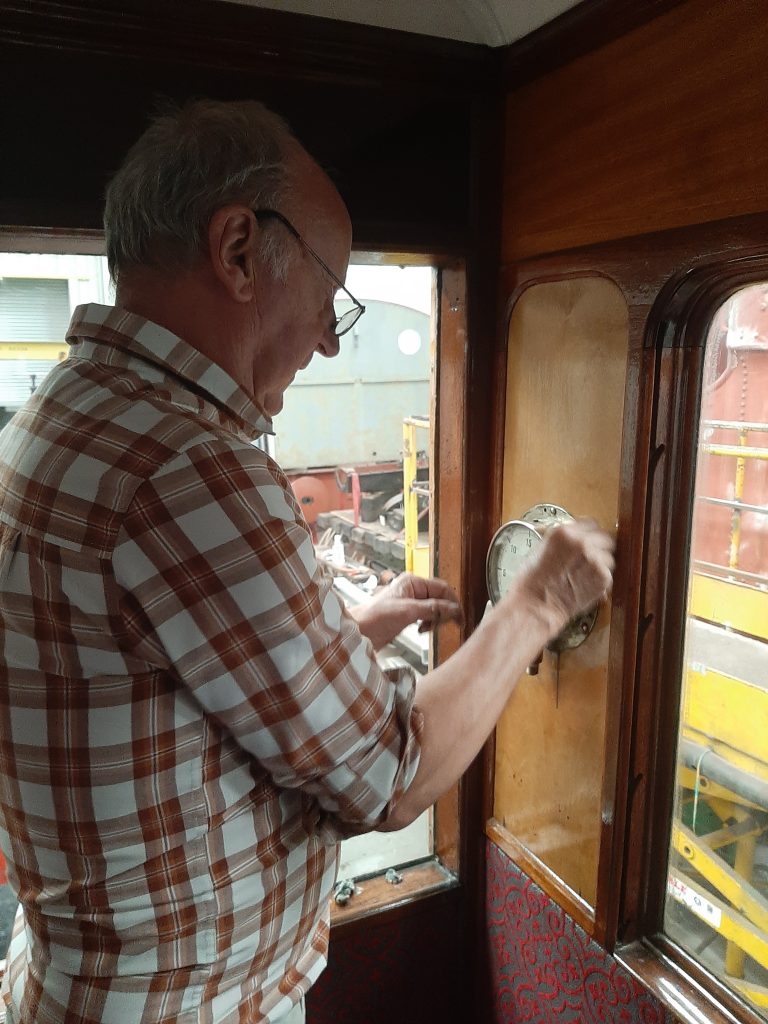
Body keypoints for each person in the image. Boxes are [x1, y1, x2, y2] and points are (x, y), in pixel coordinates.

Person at [0, 100, 614, 1024]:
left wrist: (348, 633)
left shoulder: (68, 413)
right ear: (239, 250)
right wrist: (533, 604)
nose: (331, 337)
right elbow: (392, 775)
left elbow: (136, 682)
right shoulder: (189, 465)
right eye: (332, 292)